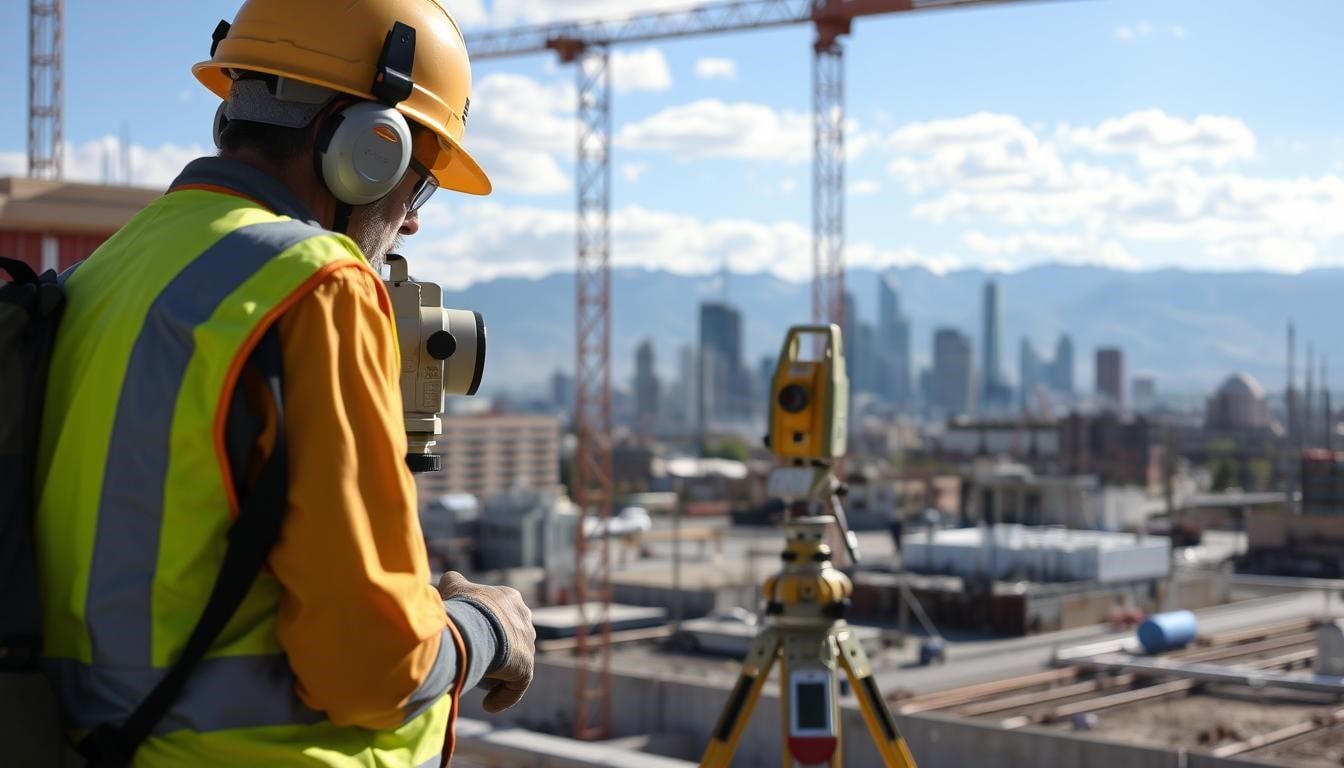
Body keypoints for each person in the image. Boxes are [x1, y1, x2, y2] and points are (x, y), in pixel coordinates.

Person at [32, 1, 534, 765]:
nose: (412, 221)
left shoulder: (111, 267)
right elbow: (372, 671)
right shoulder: (313, 283)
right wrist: (486, 629)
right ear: (373, 147)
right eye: (420, 183)